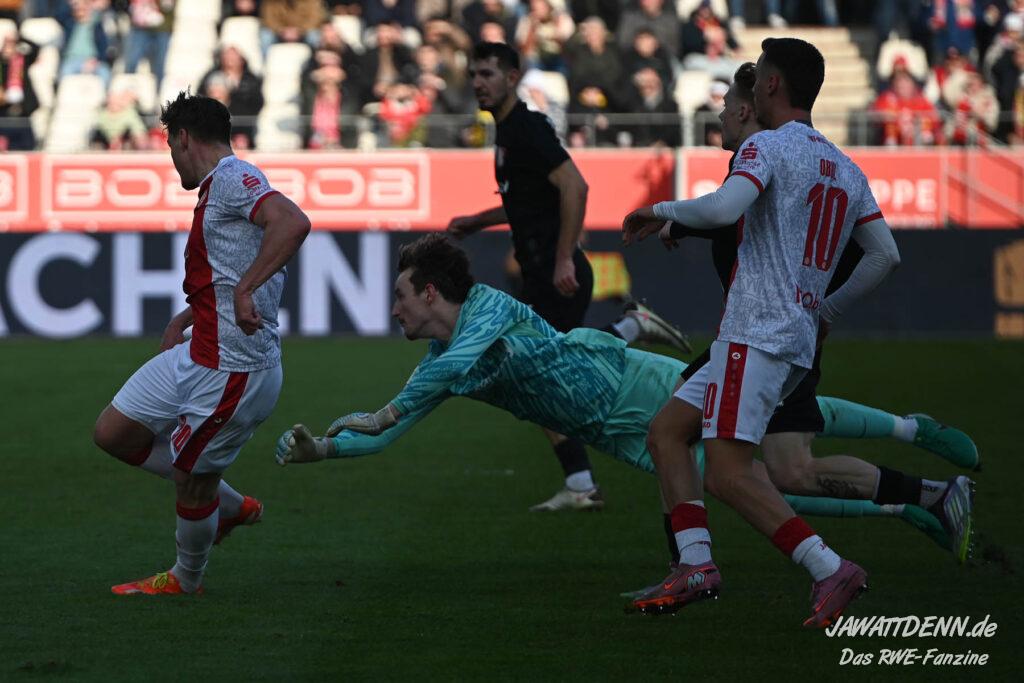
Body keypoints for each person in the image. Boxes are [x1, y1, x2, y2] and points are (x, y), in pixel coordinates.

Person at [272, 234, 968, 567]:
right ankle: (917, 503)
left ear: (430, 292)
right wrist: (324, 449)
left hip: (637, 385)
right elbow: (391, 434)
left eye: (399, 295)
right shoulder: (439, 366)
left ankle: (910, 428)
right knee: (763, 485)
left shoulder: (485, 308)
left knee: (787, 431)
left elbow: (439, 377)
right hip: (620, 434)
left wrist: (386, 408)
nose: (392, 308)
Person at [621, 38, 972, 627]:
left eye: (759, 77)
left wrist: (661, 209)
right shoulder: (844, 166)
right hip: (788, 336)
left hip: (756, 332)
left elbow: (724, 209)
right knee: (667, 432)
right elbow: (885, 255)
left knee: (730, 473)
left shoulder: (768, 145)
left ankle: (829, 567)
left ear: (771, 85)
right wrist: (826, 311)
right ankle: (695, 563)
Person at [447, 42, 688, 512]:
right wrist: (478, 221)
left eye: (487, 74)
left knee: (539, 371)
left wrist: (563, 259)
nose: (478, 82)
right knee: (542, 377)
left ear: (512, 77)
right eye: (473, 74)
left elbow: (575, 187)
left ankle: (630, 328)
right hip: (540, 273)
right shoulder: (507, 132)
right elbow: (527, 201)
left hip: (555, 272)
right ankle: (580, 483)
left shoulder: (527, 127)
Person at [92, 92, 311, 595]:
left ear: (184, 138)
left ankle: (185, 579)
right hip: (198, 351)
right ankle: (231, 507)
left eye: (171, 146)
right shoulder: (220, 186)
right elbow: (231, 267)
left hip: (234, 367)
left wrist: (245, 290)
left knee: (192, 480)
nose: (172, 159)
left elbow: (293, 222)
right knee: (113, 433)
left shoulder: (232, 177)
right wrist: (187, 315)